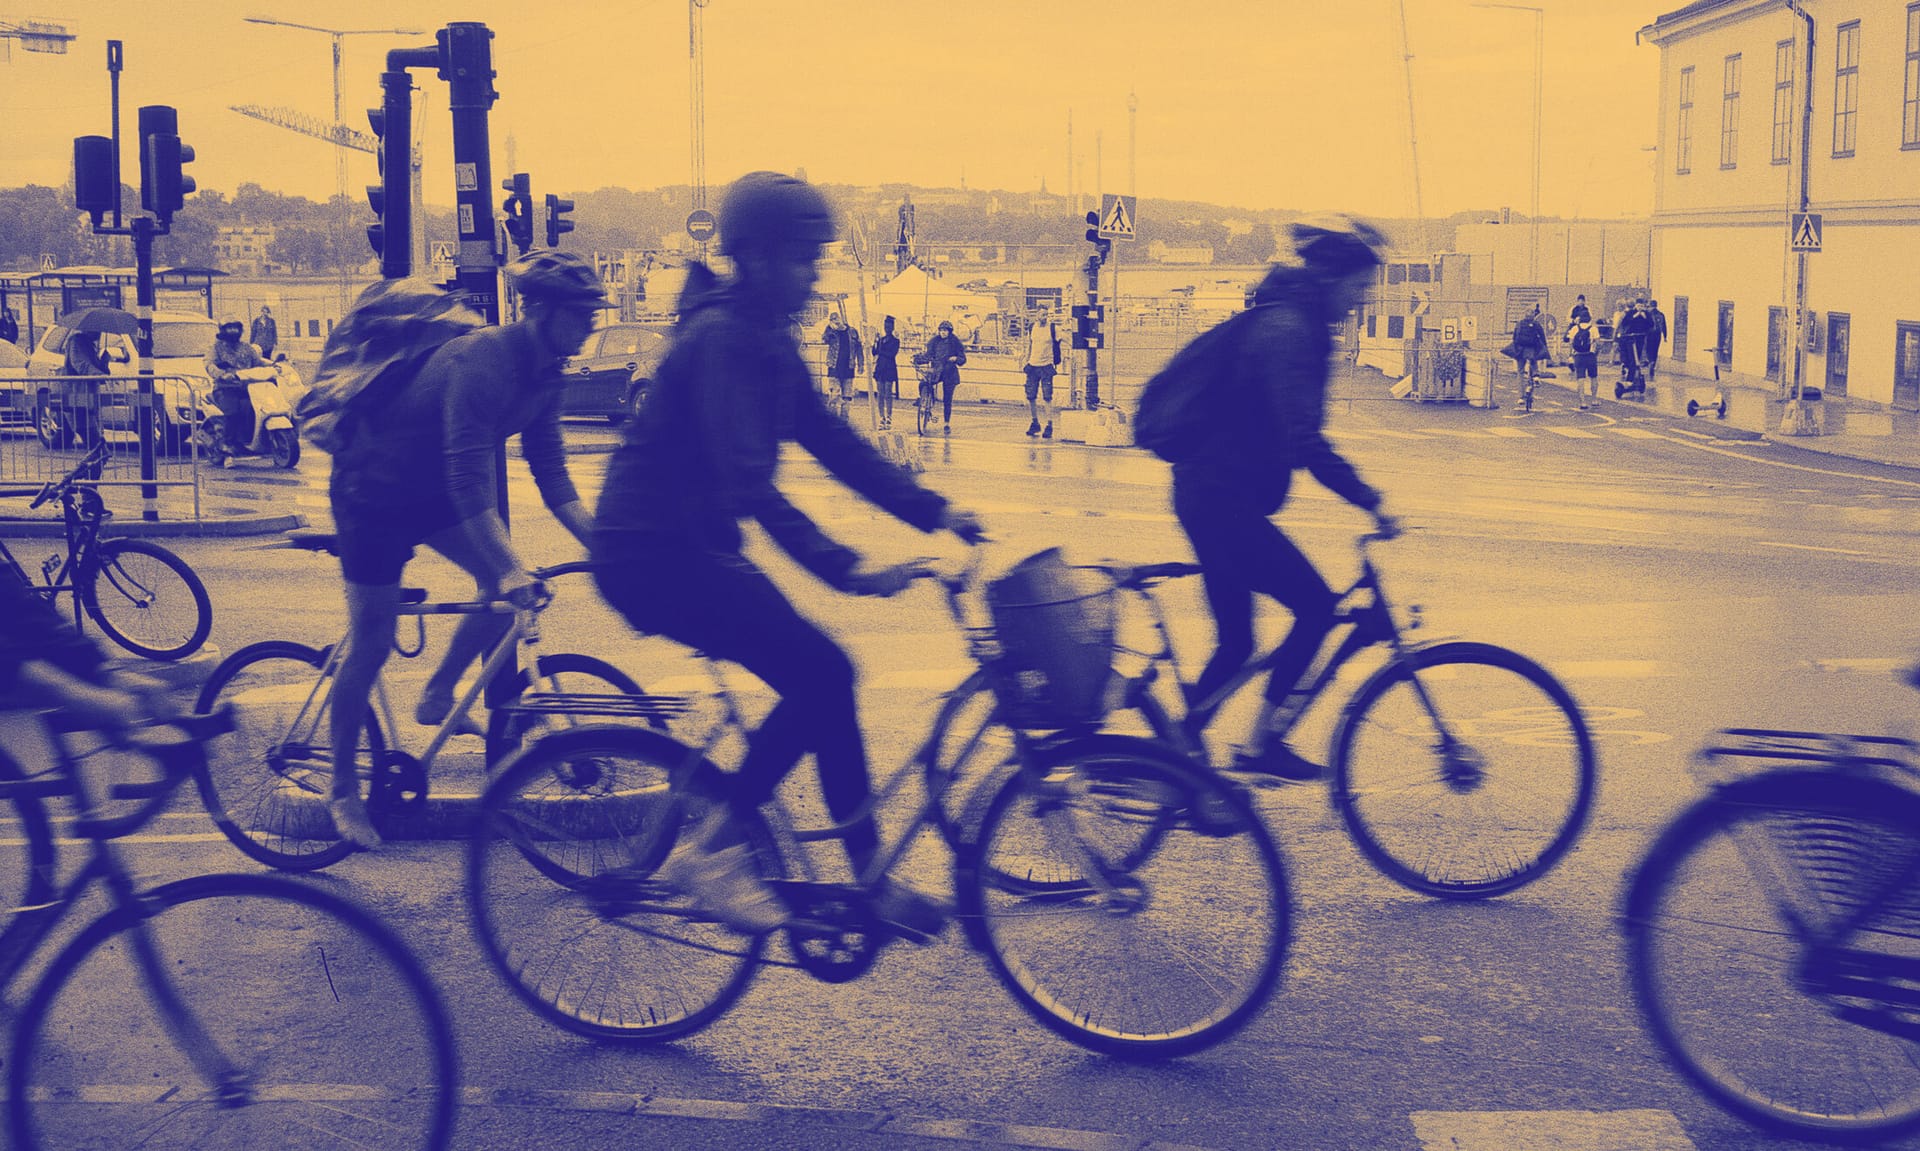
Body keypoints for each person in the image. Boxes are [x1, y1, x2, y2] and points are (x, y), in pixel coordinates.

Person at [591, 171, 987, 936]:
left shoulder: (765, 338)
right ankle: (713, 853)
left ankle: (868, 879)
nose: (814, 275)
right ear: (756, 258)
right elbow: (751, 485)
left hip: (692, 547)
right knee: (824, 672)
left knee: (826, 679)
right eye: (803, 259)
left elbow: (832, 440)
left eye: (817, 259)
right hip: (649, 555)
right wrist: (847, 567)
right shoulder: (719, 341)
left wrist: (934, 510)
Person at [324, 250, 608, 849]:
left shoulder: (548, 374)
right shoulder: (484, 360)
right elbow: (468, 478)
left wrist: (607, 547)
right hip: (371, 489)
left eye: (593, 314)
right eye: (581, 314)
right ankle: (342, 790)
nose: (590, 325)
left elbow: (553, 474)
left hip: (428, 492)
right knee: (372, 642)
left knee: (499, 592)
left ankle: (437, 693)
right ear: (542, 310)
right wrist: (510, 567)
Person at [1161, 214, 1401, 782]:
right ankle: (1257, 745)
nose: (1363, 300)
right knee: (1316, 608)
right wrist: (1370, 500)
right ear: (1332, 279)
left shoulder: (1289, 321)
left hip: (1212, 495)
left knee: (1237, 644)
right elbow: (1305, 441)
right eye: (1360, 287)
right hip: (1221, 502)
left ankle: (1172, 759)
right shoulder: (1291, 332)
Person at [205, 320, 266, 456]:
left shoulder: (247, 347)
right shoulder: (216, 348)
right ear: (223, 330)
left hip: (248, 388)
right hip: (225, 388)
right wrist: (222, 374)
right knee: (233, 412)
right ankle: (227, 443)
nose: (233, 331)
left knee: (258, 409)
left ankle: (247, 441)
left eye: (235, 328)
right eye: (230, 328)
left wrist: (274, 367)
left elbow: (259, 363)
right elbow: (209, 365)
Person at [915, 319, 968, 433]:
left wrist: (956, 358)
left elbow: (963, 359)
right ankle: (925, 401)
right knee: (924, 383)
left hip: (950, 372)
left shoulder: (955, 342)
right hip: (937, 370)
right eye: (941, 330)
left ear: (949, 331)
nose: (943, 332)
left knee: (947, 399)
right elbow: (928, 355)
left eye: (945, 330)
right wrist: (918, 359)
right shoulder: (934, 341)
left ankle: (946, 423)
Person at [1022, 306, 1060, 438]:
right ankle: (1035, 422)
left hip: (1046, 366)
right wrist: (1026, 359)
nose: (1045, 317)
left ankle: (1049, 424)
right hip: (1033, 365)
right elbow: (1030, 344)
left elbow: (1064, 339)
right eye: (1042, 314)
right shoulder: (1032, 328)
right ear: (1037, 315)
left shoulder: (1053, 328)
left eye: (1046, 315)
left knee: (1047, 396)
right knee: (1030, 396)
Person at [821, 311, 863, 418]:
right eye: (833, 319)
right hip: (834, 367)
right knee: (834, 396)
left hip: (849, 367)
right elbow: (824, 340)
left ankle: (844, 419)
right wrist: (829, 328)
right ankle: (833, 419)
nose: (836, 321)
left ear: (841, 318)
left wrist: (861, 364)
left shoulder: (853, 331)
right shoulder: (831, 332)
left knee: (847, 397)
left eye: (837, 318)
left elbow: (859, 347)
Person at [1617, 298, 1653, 392]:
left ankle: (1632, 379)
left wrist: (1645, 318)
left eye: (1642, 306)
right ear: (1635, 306)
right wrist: (1635, 316)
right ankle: (1629, 377)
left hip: (1640, 338)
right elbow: (1625, 323)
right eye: (1638, 305)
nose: (1640, 307)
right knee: (1631, 358)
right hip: (1630, 339)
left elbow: (1651, 324)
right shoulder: (1631, 313)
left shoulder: (1646, 314)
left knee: (1637, 359)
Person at [870, 315, 900, 430]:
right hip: (880, 368)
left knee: (888, 393)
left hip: (889, 368)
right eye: (885, 326)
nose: (887, 328)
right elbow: (874, 352)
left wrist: (880, 349)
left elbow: (891, 354)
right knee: (880, 393)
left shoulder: (896, 341)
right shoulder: (880, 340)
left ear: (892, 327)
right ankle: (881, 417)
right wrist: (875, 342)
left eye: (889, 326)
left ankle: (889, 416)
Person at [1566, 313, 1601, 409]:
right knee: (1593, 377)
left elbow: (1570, 343)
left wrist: (1571, 355)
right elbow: (1598, 343)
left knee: (1580, 379)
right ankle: (1594, 399)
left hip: (1578, 356)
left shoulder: (1574, 328)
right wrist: (1596, 353)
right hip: (1590, 356)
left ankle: (1582, 402)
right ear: (1590, 319)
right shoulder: (1593, 329)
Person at [1510, 305, 1549, 384]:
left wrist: (1515, 347)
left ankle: (1521, 390)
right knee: (1533, 362)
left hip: (1520, 349)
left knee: (1520, 370)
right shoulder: (1536, 324)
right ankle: (1535, 376)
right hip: (1531, 348)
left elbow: (1514, 336)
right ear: (1533, 315)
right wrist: (1544, 346)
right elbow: (1542, 336)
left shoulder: (1519, 323)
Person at [1645, 298, 1669, 382]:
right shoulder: (1661, 314)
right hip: (1658, 334)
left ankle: (1650, 361)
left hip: (1649, 334)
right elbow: (1664, 325)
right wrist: (1665, 336)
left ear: (1650, 306)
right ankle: (1653, 363)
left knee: (1648, 349)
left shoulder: (1648, 314)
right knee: (1655, 350)